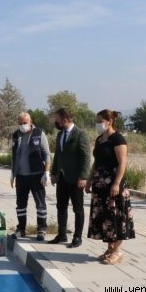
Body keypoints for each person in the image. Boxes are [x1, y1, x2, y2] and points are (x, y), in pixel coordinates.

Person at [86, 109, 135, 264]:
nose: (98, 124)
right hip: (100, 185)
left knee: (117, 217)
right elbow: (96, 162)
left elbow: (122, 163)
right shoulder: (100, 139)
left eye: (100, 121)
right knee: (106, 217)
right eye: (97, 121)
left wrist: (116, 183)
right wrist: (89, 180)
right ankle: (110, 248)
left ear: (109, 121)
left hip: (114, 184)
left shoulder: (118, 139)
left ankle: (117, 251)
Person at [49, 108, 91, 248]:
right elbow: (58, 156)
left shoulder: (80, 134)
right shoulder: (60, 135)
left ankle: (77, 237)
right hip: (62, 178)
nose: (56, 122)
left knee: (77, 209)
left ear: (65, 119)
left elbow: (86, 157)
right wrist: (53, 173)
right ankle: (62, 234)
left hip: (75, 178)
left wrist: (83, 176)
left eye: (57, 119)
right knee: (61, 207)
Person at [10, 112, 51, 240]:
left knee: (40, 203)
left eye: (25, 123)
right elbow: (14, 155)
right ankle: (21, 229)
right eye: (20, 123)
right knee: (21, 204)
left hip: (36, 175)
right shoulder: (16, 135)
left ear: (30, 121)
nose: (23, 125)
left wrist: (46, 173)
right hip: (21, 176)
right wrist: (13, 173)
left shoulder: (39, 133)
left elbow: (47, 154)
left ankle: (42, 229)